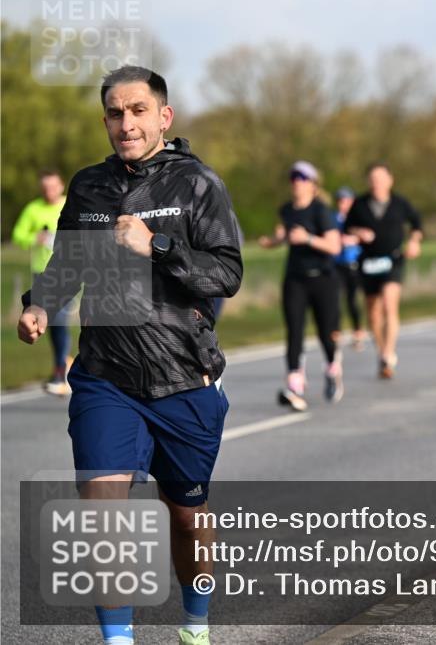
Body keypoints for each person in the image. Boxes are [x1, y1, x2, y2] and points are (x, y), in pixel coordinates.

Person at [17, 66, 242, 645]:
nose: (127, 123)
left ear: (163, 116)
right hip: (104, 376)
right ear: (106, 121)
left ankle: (195, 625)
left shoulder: (198, 184)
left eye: (138, 110)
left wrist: (158, 245)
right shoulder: (88, 186)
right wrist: (41, 304)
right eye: (116, 113)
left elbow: (227, 272)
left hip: (183, 378)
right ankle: (119, 639)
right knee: (102, 514)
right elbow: (67, 264)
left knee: (189, 517)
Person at [258, 161, 343, 408]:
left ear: (313, 184)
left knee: (326, 334)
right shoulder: (287, 210)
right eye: (293, 177)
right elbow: (286, 236)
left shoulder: (321, 211)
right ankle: (295, 384)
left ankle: (332, 369)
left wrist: (307, 238)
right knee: (294, 331)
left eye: (302, 178)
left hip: (324, 279)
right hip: (295, 278)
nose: (296, 182)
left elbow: (334, 246)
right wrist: (272, 242)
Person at [344, 162, 423, 379]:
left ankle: (388, 353)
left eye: (381, 178)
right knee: (373, 311)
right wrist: (358, 232)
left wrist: (414, 242)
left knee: (389, 304)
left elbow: (417, 224)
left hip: (393, 259)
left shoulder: (400, 203)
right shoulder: (359, 204)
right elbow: (346, 228)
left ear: (390, 180)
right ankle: (381, 352)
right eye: (373, 179)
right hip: (368, 261)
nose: (377, 183)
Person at [11, 169, 73, 395]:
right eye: (45, 188)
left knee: (60, 320)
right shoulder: (33, 209)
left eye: (53, 186)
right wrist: (34, 238)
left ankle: (59, 372)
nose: (49, 191)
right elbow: (18, 235)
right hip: (41, 274)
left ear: (61, 185)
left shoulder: (71, 203)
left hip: (69, 275)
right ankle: (63, 363)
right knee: (48, 323)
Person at [332, 186, 367, 352]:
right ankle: (336, 332)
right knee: (336, 298)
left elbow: (367, 237)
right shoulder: (334, 218)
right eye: (340, 201)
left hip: (354, 263)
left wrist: (353, 238)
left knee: (353, 299)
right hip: (337, 264)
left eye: (346, 200)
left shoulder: (359, 218)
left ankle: (358, 331)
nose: (343, 204)